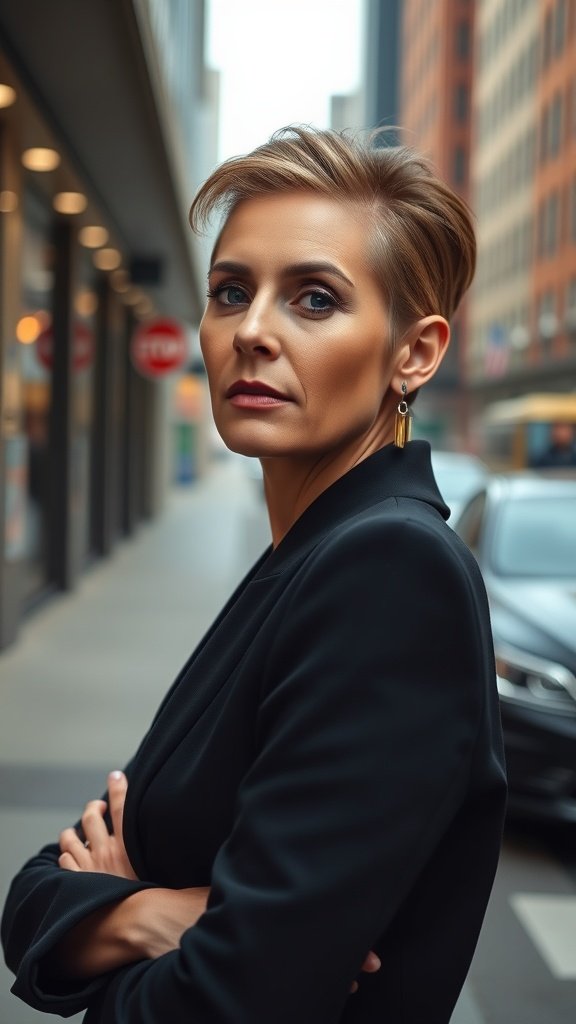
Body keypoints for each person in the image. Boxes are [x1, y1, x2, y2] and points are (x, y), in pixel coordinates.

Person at [1, 127, 507, 1023]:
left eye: (314, 298)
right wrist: (150, 916)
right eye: (230, 291)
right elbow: (38, 891)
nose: (253, 331)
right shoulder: (304, 557)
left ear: (414, 354)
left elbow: (231, 1001)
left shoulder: (390, 573)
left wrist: (104, 927)